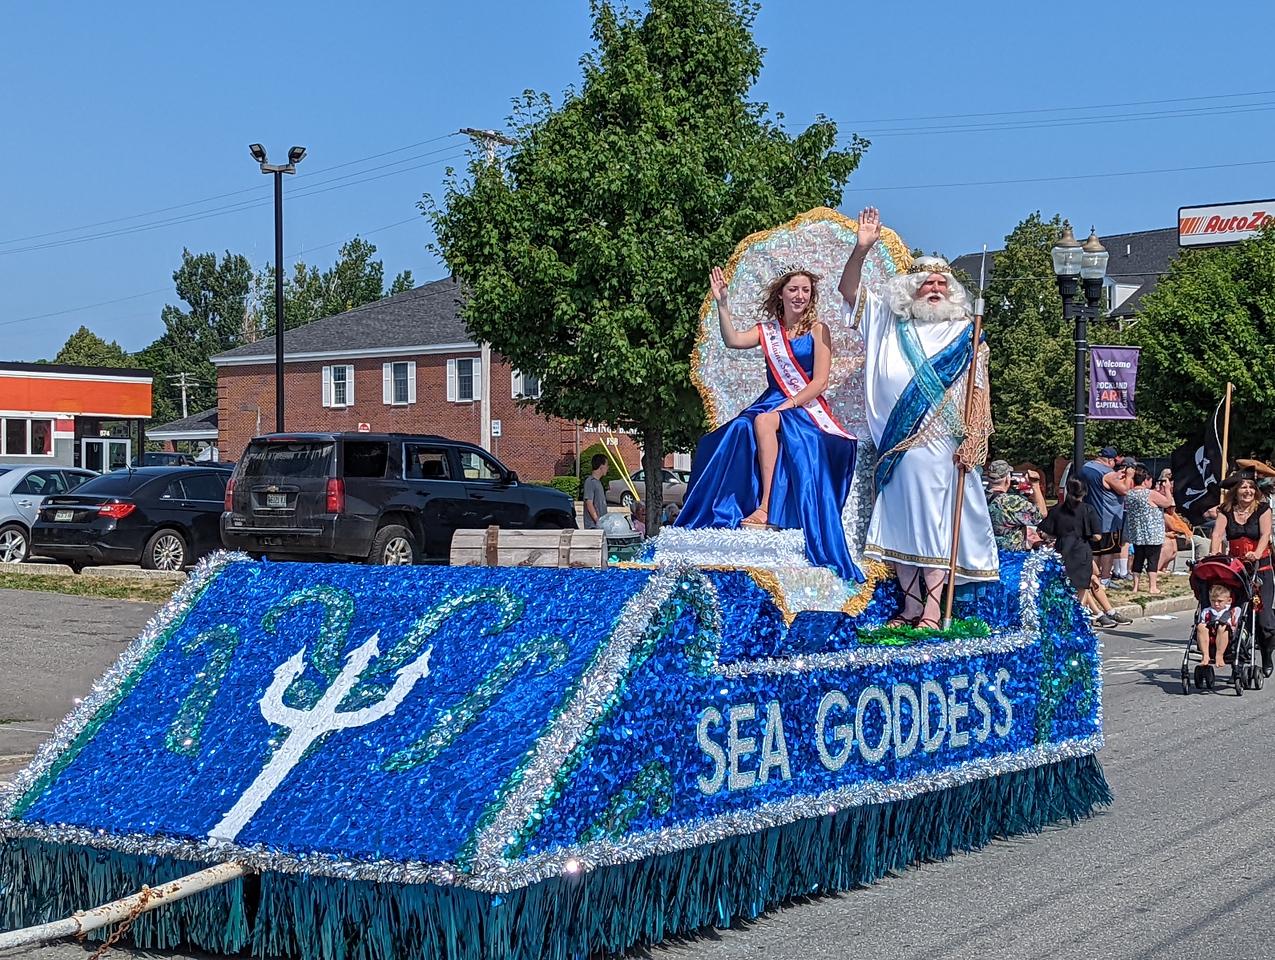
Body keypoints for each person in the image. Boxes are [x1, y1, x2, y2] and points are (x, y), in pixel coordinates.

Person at [839, 207, 998, 629]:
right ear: (911, 288)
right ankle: (910, 607)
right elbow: (849, 290)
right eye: (927, 282)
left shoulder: (966, 332)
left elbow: (978, 392)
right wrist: (861, 249)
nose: (935, 288)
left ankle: (932, 608)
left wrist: (974, 440)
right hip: (896, 442)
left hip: (941, 443)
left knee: (933, 524)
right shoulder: (888, 321)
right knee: (898, 526)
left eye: (942, 283)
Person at [676, 264, 863, 583]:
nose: (800, 295)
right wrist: (722, 303)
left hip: (803, 406)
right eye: (793, 289)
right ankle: (725, 508)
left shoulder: (819, 330)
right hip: (771, 398)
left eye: (806, 290)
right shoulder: (768, 331)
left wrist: (787, 406)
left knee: (764, 422)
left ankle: (765, 509)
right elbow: (733, 340)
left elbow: (819, 382)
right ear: (781, 294)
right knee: (732, 431)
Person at [1210, 467, 1275, 675]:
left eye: (1250, 487)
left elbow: (1265, 535)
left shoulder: (1263, 509)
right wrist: (1213, 555)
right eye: (1243, 487)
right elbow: (1217, 534)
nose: (1247, 491)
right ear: (1235, 491)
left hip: (1260, 568)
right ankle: (1238, 656)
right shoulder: (1226, 510)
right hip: (1236, 570)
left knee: (1265, 622)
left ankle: (1266, 654)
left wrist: (1256, 552)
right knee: (1238, 616)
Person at [1039, 479, 1125, 624]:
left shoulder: (1057, 509)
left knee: (1063, 585)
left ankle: (1065, 617)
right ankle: (1075, 618)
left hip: (1062, 550)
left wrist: (1061, 534)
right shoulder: (1088, 509)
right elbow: (1097, 536)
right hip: (1081, 550)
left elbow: (1047, 532)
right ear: (1084, 493)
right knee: (1081, 588)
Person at [1080, 447, 1134, 582]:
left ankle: (1093, 577)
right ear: (1110, 460)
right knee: (1108, 550)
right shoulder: (1108, 473)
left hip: (1091, 516)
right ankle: (1105, 578)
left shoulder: (1086, 467)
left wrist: (1117, 474)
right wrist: (1128, 477)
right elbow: (1124, 490)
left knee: (1095, 551)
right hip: (1108, 518)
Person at [1124, 465, 1174, 594]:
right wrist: (1167, 489)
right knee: (1153, 559)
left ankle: (1135, 586)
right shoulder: (1149, 493)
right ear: (1146, 480)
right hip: (1152, 532)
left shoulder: (1129, 494)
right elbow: (1168, 503)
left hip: (1137, 532)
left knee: (1138, 558)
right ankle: (1153, 587)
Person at [984, 460, 1047, 551]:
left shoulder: (979, 499)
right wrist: (1035, 484)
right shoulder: (1011, 502)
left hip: (984, 554)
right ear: (1007, 479)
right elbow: (1041, 514)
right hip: (1009, 558)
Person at [1197, 583, 1240, 670]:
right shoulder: (1207, 611)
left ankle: (1219, 655)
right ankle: (1205, 655)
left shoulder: (1233, 610)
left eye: (1220, 601)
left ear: (1229, 601)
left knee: (1222, 627)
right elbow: (1204, 622)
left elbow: (1236, 623)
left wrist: (1234, 626)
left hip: (1227, 633)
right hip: (1211, 632)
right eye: (1213, 601)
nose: (1216, 604)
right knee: (1201, 626)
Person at [582, 454, 609, 531]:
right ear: (601, 466)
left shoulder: (598, 482)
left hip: (599, 526)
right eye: (606, 465)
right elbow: (589, 504)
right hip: (593, 526)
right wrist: (598, 521)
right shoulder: (590, 482)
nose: (608, 468)